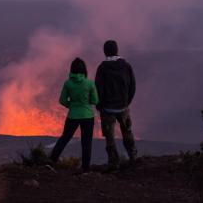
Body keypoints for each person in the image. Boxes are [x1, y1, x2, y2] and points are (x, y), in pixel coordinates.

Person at [49, 57, 99, 172]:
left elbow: (62, 100)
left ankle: (51, 162)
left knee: (64, 138)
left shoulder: (68, 84)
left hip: (73, 116)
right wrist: (86, 103)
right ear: (84, 70)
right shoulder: (90, 84)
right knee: (86, 142)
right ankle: (85, 168)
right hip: (87, 116)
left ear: (72, 70)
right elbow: (95, 101)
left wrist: (71, 105)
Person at [95, 40, 137, 170]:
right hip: (123, 107)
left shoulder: (102, 68)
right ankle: (133, 157)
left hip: (107, 109)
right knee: (127, 132)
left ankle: (113, 163)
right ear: (117, 49)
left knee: (109, 137)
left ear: (105, 51)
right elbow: (132, 86)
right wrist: (127, 101)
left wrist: (99, 105)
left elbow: (98, 89)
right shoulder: (126, 66)